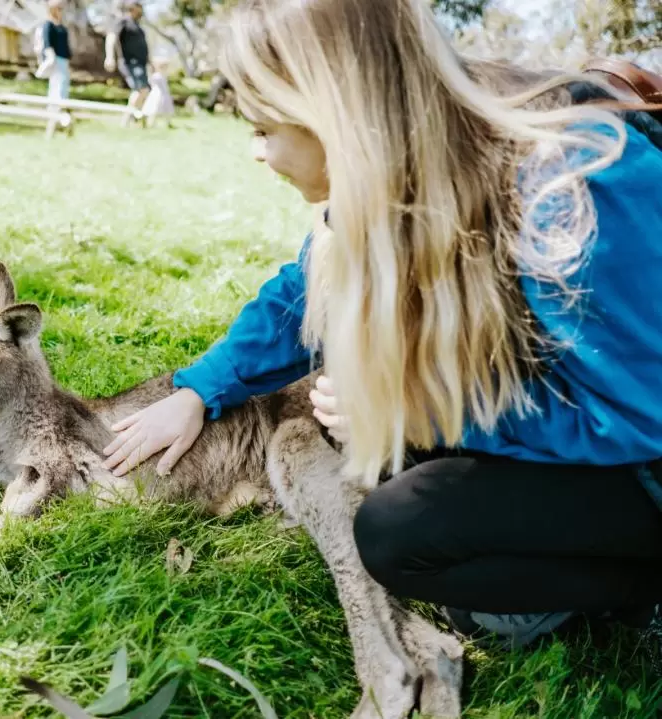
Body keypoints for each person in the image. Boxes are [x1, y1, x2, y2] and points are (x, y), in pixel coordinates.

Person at [101, 0, 662, 660]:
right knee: (395, 496)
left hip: (644, 459)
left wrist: (429, 415)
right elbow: (306, 289)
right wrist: (199, 390)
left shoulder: (567, 192)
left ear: (332, 112)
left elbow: (640, 414)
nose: (257, 154)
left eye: (262, 128)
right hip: (586, 436)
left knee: (402, 529)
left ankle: (638, 589)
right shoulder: (405, 161)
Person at [104, 0, 150, 117]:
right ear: (132, 7)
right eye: (139, 7)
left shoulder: (137, 25)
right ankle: (128, 118)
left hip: (141, 64)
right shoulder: (123, 21)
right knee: (141, 89)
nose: (141, 10)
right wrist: (109, 57)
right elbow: (111, 37)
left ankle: (134, 117)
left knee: (143, 90)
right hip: (130, 62)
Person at [36, 0, 71, 102]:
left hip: (64, 59)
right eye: (60, 9)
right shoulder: (48, 24)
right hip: (56, 59)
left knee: (63, 83)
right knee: (57, 83)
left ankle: (61, 106)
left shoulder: (61, 25)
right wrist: (50, 57)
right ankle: (55, 109)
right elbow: (47, 43)